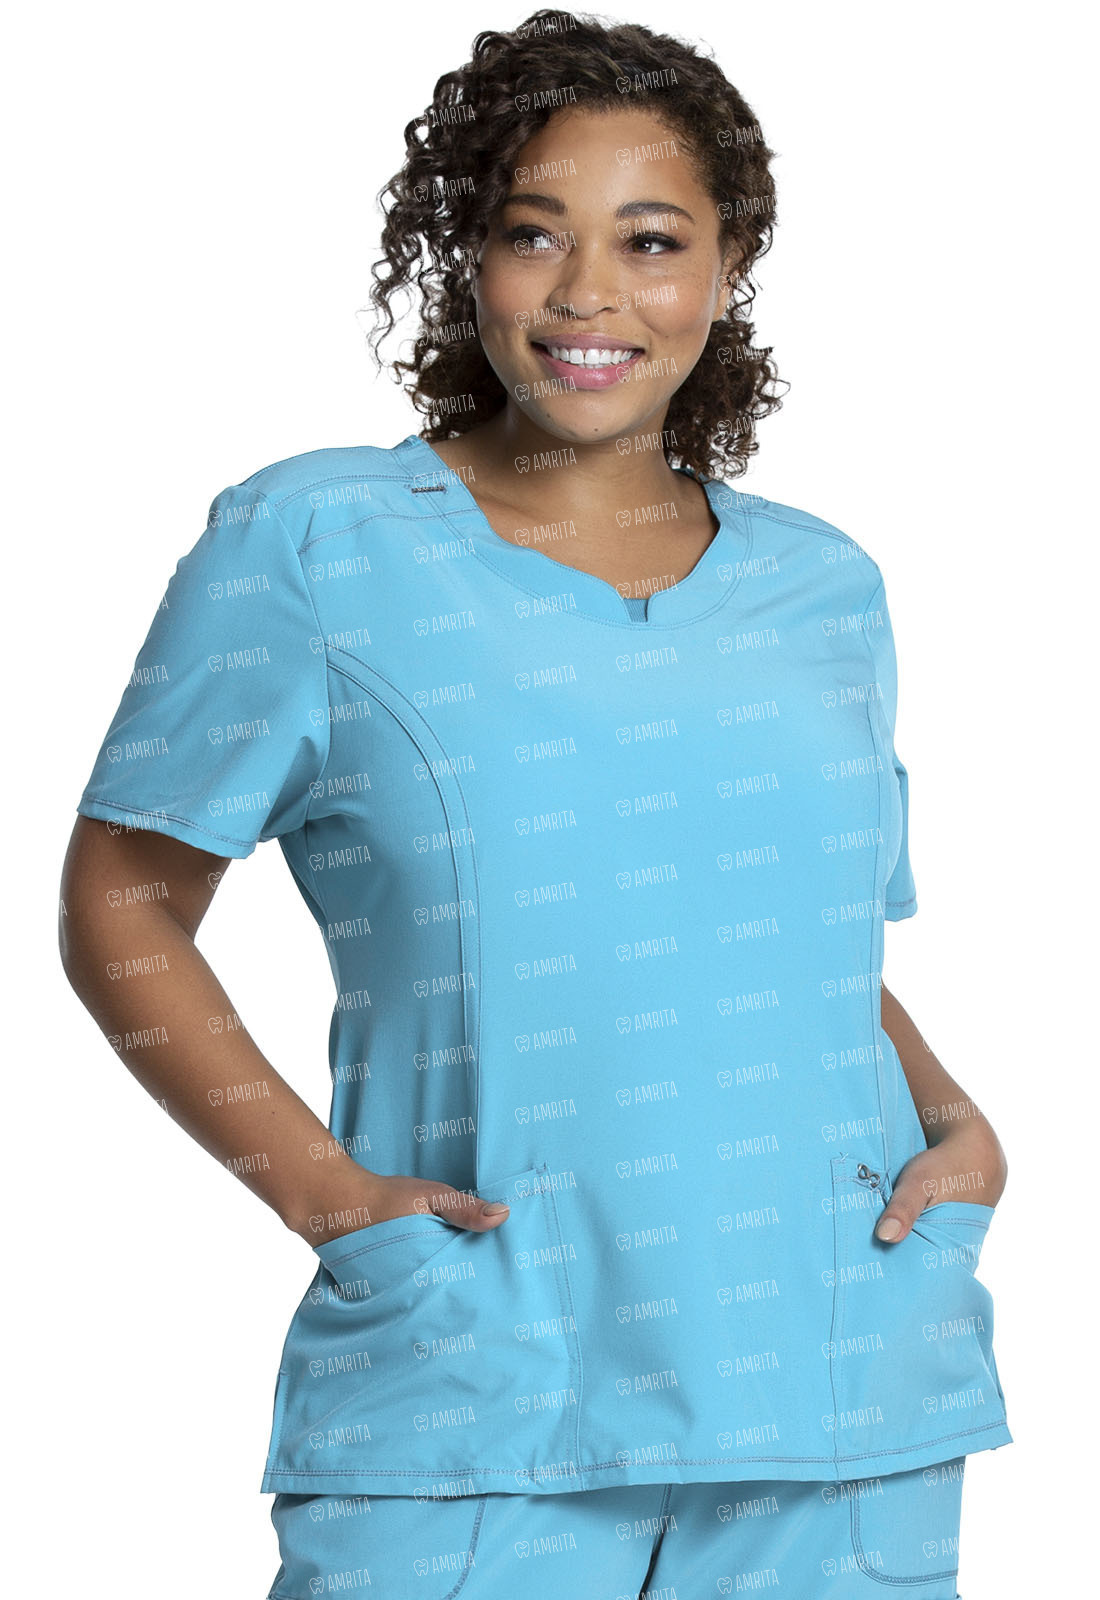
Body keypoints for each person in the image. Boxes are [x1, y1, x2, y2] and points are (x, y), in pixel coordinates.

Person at [59, 10, 1012, 1597]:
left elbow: (799, 948)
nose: (587, 293)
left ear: (727, 268)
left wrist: (959, 1126)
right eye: (532, 233)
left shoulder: (824, 589)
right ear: (468, 260)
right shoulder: (316, 547)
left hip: (849, 1402)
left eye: (652, 240)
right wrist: (327, 1198)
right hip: (474, 1399)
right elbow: (122, 898)